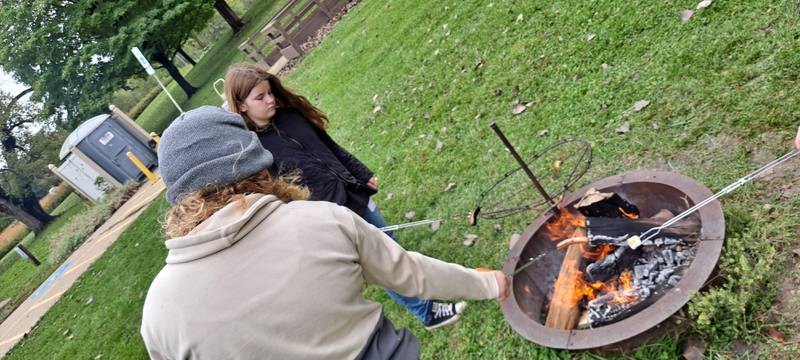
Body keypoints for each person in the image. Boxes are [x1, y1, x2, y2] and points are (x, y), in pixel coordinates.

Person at [140, 106, 509, 359]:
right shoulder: (321, 221)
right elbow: (413, 274)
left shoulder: (158, 312)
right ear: (256, 162)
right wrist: (489, 284)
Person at [223, 63, 464, 330]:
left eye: (269, 92)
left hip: (351, 191)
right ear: (241, 105)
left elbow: (331, 147)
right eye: (260, 97)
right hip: (328, 214)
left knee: (388, 239)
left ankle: (414, 276)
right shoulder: (252, 152)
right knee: (380, 261)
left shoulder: (291, 115)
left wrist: (360, 173)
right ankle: (427, 312)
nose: (270, 100)